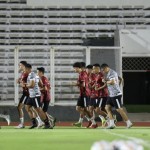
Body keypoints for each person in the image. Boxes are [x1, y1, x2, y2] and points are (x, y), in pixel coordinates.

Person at [100, 63, 133, 129]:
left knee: (119, 110)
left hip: (116, 94)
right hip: (111, 94)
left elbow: (112, 82)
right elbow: (120, 79)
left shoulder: (112, 73)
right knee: (107, 108)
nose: (103, 72)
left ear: (106, 68)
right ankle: (112, 124)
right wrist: (117, 84)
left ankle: (128, 123)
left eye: (103, 70)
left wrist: (105, 82)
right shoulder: (109, 73)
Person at [24, 64, 52, 129]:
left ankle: (47, 124)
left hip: (35, 96)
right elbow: (41, 84)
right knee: (27, 107)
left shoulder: (32, 75)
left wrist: (25, 85)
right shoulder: (35, 75)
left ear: (28, 69)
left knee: (39, 110)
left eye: (25, 69)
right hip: (31, 95)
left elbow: (32, 85)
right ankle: (34, 123)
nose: (24, 70)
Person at [72, 62, 91, 127]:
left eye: (74, 68)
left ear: (78, 68)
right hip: (82, 94)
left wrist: (76, 84)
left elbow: (83, 85)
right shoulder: (81, 74)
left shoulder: (83, 74)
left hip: (85, 94)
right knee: (78, 108)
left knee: (86, 109)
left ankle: (92, 121)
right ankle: (82, 122)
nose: (74, 70)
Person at [15, 61, 29, 129]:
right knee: (33, 108)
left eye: (20, 65)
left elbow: (25, 84)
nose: (19, 66)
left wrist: (20, 82)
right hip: (26, 92)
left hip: (27, 93)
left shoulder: (26, 73)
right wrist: (19, 80)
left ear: (23, 66)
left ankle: (22, 124)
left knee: (19, 107)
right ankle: (43, 121)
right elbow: (22, 81)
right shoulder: (23, 73)